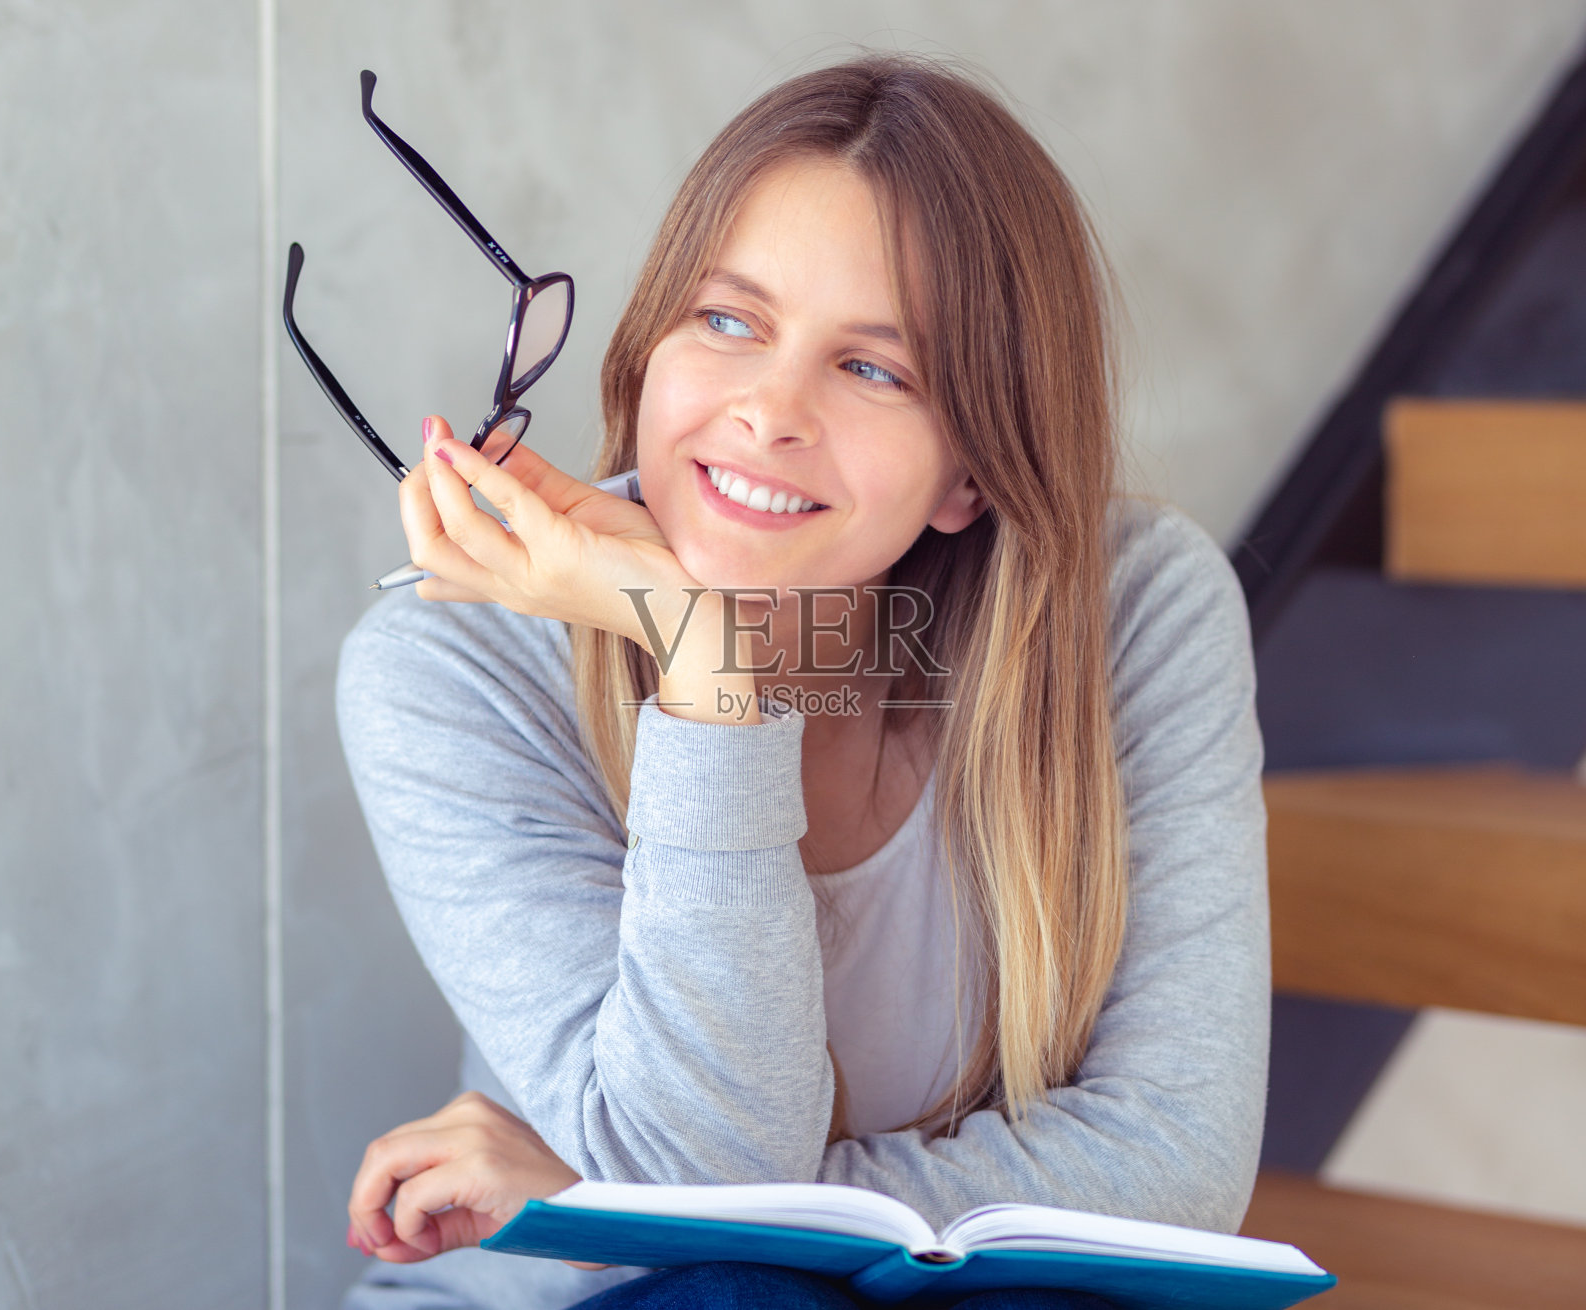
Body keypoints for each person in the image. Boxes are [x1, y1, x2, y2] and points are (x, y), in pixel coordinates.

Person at [334, 50, 1268, 1310]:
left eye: (873, 367)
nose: (769, 410)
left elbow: (1177, 1163)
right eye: (727, 320)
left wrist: (604, 1189)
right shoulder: (454, 664)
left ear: (972, 470)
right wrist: (707, 668)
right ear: (647, 350)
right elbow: (700, 1177)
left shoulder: (1131, 610)